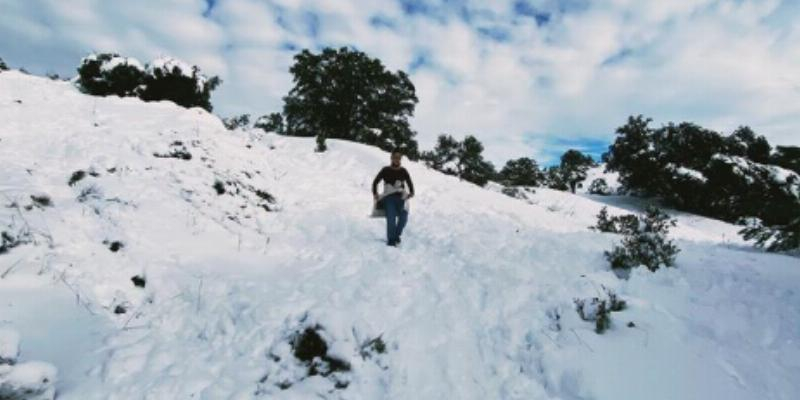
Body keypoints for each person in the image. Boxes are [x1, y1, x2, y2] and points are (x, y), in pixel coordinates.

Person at [372, 151, 415, 246]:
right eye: (395, 157)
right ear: (391, 158)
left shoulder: (403, 171)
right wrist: (375, 193)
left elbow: (409, 182)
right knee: (391, 217)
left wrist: (412, 192)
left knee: (404, 216)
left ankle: (396, 235)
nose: (397, 159)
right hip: (388, 197)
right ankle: (391, 240)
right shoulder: (385, 170)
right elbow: (375, 182)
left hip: (401, 197)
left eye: (399, 158)